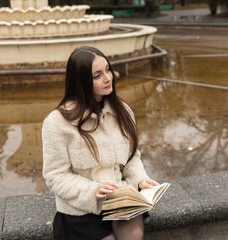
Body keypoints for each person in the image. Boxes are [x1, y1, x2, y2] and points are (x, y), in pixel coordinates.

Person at [42, 46, 159, 240]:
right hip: (81, 209)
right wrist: (93, 191)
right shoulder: (57, 123)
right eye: (97, 75)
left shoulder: (123, 111)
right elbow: (55, 175)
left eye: (108, 69)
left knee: (134, 236)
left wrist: (140, 179)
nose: (108, 78)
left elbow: (131, 158)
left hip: (120, 200)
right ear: (81, 82)